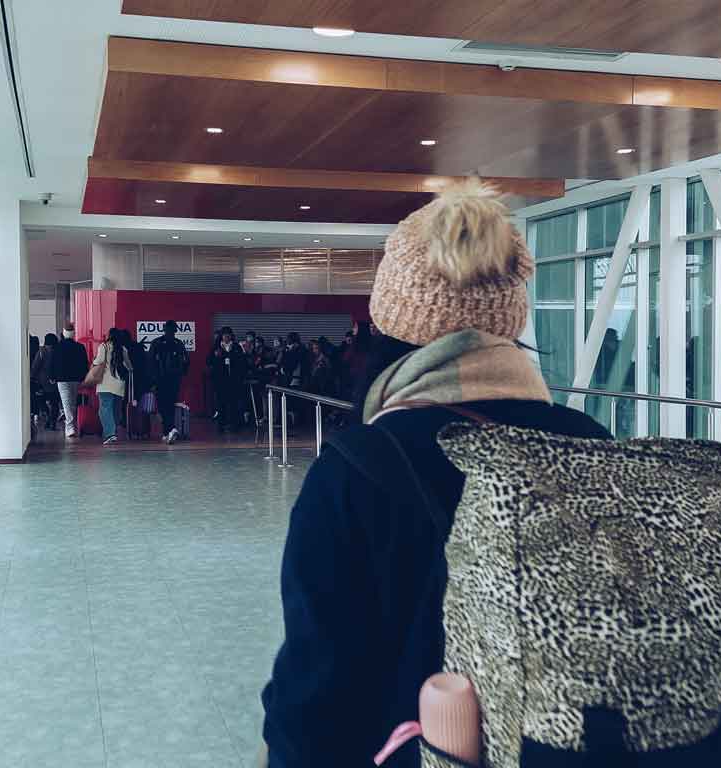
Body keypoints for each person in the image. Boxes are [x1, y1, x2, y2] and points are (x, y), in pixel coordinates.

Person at [261, 180, 628, 767]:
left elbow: (315, 689)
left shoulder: (356, 471)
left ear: (387, 320)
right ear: (509, 321)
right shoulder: (593, 446)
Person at [149, 321, 189, 444]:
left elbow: (150, 363)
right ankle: (168, 431)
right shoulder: (173, 344)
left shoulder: (160, 343)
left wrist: (152, 381)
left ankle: (169, 430)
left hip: (165, 380)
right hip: (168, 380)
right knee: (167, 406)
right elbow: (186, 362)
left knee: (164, 406)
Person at [50, 322, 90, 439]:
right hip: (76, 379)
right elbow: (84, 364)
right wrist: (84, 377)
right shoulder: (80, 347)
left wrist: (52, 376)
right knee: (72, 402)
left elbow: (52, 364)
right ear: (73, 334)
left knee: (66, 402)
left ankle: (70, 427)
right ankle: (71, 425)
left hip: (62, 379)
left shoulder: (57, 347)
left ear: (63, 333)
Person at [91, 327, 129, 445]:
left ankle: (110, 434)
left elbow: (98, 362)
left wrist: (94, 361)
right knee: (115, 409)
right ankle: (113, 431)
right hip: (119, 384)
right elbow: (129, 366)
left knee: (104, 410)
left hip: (105, 384)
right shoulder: (123, 349)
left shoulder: (104, 347)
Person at [209, 329, 247, 432]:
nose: (226, 337)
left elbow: (242, 362)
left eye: (228, 335)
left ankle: (234, 424)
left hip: (233, 381)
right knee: (221, 403)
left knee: (233, 403)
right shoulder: (216, 347)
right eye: (225, 335)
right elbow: (210, 362)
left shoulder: (236, 347)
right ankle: (221, 424)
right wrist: (217, 357)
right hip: (220, 381)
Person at [32, 333, 61, 430]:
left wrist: (32, 377)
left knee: (41, 401)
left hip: (43, 382)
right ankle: (52, 422)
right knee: (55, 403)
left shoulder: (41, 351)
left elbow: (35, 366)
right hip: (56, 382)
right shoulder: (57, 350)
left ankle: (48, 417)